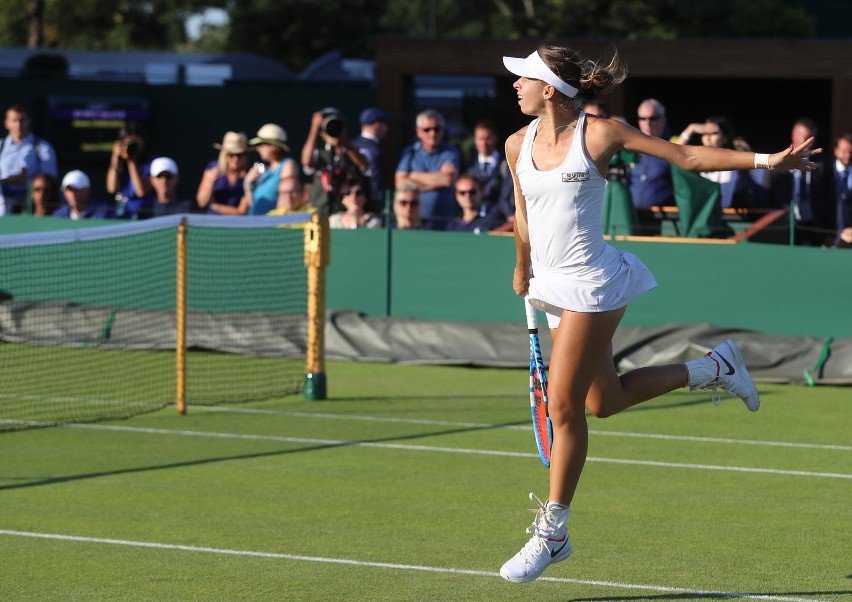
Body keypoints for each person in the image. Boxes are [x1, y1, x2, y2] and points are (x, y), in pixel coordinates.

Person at [498, 43, 818, 584]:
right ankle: (715, 368)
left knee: (563, 407)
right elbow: (523, 211)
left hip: (595, 283)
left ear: (549, 89)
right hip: (551, 286)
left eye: (524, 78)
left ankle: (553, 532)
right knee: (604, 401)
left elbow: (687, 157)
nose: (515, 86)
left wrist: (768, 160)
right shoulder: (514, 144)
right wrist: (521, 267)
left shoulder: (598, 134)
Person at [766, 118, 833, 246]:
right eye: (805, 137)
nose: (808, 143)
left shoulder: (822, 164)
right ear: (793, 135)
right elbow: (769, 193)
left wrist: (829, 231)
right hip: (784, 223)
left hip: (813, 225)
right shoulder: (777, 162)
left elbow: (830, 199)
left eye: (811, 139)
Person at [676, 116, 767, 208]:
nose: (707, 137)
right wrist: (690, 129)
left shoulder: (729, 163)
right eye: (704, 133)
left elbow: (724, 203)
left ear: (724, 137)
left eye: (713, 133)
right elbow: (674, 155)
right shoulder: (697, 159)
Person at [394, 109, 461, 230]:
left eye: (437, 129)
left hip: (443, 223)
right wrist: (437, 179)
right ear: (418, 132)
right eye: (427, 130)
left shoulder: (451, 152)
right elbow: (400, 183)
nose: (432, 133)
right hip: (413, 224)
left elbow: (447, 180)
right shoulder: (410, 153)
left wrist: (412, 177)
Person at [301, 108, 368, 217]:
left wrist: (344, 143)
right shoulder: (320, 153)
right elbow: (306, 161)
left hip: (344, 215)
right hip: (321, 212)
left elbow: (364, 165)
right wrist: (314, 130)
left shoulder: (351, 152)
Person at [626, 98, 674, 234]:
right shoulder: (629, 149)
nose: (648, 123)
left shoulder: (673, 147)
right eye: (643, 118)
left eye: (653, 118)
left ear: (663, 120)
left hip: (665, 223)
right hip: (632, 220)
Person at [0, 104, 58, 215]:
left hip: (32, 208)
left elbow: (50, 182)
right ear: (6, 123)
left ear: (29, 121)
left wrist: (29, 181)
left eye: (22, 120)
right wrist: (11, 180)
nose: (18, 124)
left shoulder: (43, 148)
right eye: (14, 120)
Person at [465, 121, 514, 230]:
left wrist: (510, 215)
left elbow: (505, 195)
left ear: (495, 139)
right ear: (475, 140)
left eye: (488, 138)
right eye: (480, 139)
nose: (484, 143)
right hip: (473, 221)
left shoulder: (506, 163)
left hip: (500, 221)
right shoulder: (469, 165)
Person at [243, 123, 300, 216]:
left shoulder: (288, 165)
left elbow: (286, 204)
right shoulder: (265, 172)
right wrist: (247, 185)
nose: (258, 148)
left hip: (272, 227)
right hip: (256, 226)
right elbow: (253, 205)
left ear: (274, 146)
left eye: (261, 145)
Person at [106, 122, 155, 219]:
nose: (131, 147)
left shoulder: (152, 163)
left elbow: (140, 191)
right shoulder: (120, 163)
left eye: (135, 142)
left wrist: (131, 162)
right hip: (122, 214)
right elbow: (112, 188)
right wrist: (115, 156)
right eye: (128, 143)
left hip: (144, 215)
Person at [196, 131, 249, 215]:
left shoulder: (248, 176)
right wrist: (210, 183)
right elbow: (202, 202)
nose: (235, 159)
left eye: (239, 155)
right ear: (224, 154)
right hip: (211, 224)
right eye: (231, 154)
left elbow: (241, 212)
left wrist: (215, 206)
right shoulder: (212, 168)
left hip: (236, 226)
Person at [352, 107, 391, 215]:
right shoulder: (376, 151)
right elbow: (376, 184)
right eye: (385, 124)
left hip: (350, 205)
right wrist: (378, 208)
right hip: (371, 210)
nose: (387, 129)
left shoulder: (352, 146)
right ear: (377, 124)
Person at [830, 133, 852, 247]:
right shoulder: (826, 173)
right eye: (844, 151)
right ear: (836, 151)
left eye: (850, 152)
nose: (848, 156)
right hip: (828, 236)